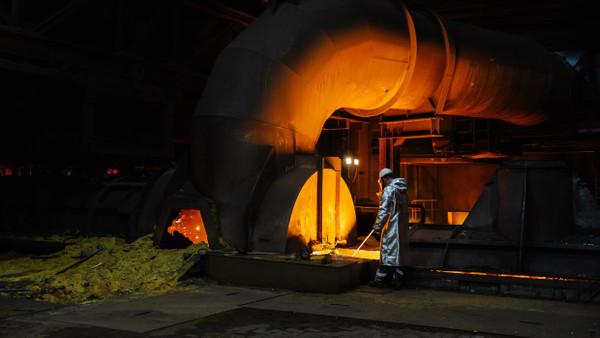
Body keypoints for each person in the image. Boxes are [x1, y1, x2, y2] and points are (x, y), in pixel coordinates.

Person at [369, 168, 410, 289]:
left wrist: (377, 226)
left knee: (386, 254)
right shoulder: (403, 191)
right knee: (399, 255)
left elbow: (384, 211)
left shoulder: (389, 190)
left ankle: (380, 280)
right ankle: (397, 281)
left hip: (391, 227)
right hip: (402, 228)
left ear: (384, 179)